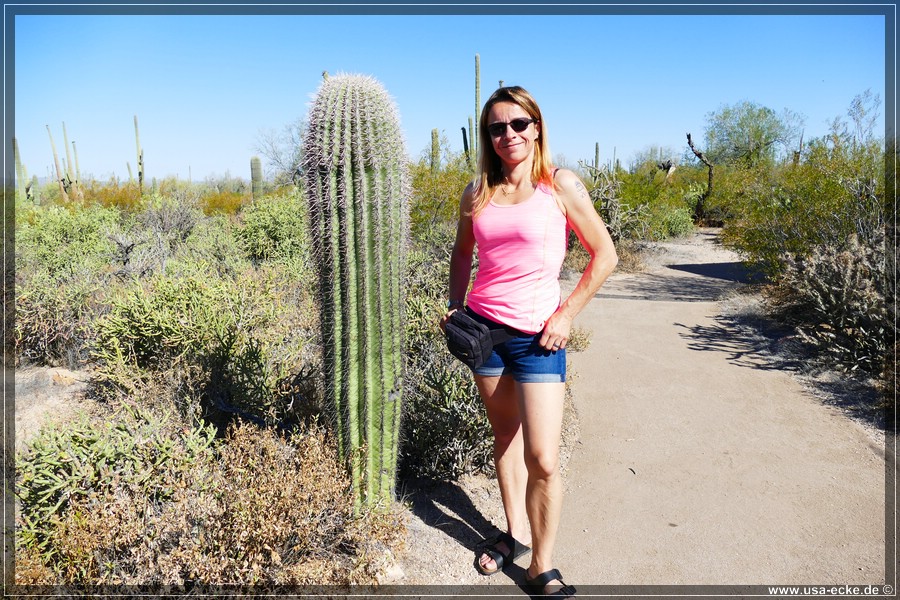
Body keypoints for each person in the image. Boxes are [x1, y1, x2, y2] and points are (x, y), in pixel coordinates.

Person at [439, 86, 618, 597]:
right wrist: (455, 306)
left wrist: (565, 315)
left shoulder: (559, 186)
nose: (508, 135)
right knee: (506, 440)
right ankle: (514, 534)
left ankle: (542, 564)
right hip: (485, 334)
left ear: (536, 126)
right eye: (497, 127)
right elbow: (460, 253)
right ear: (487, 136)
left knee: (542, 457)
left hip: (540, 337)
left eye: (518, 124)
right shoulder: (478, 191)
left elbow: (603, 255)